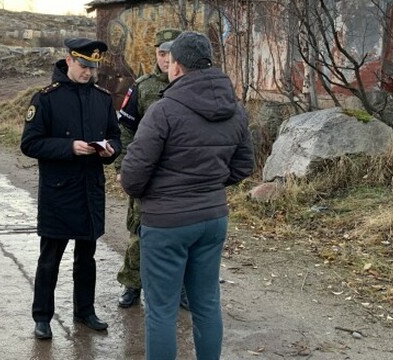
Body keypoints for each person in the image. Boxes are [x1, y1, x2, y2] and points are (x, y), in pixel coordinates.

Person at [120, 31, 255, 359]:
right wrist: (208, 185)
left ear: (177, 67)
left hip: (166, 224)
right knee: (207, 303)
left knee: (162, 310)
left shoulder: (164, 111)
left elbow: (133, 178)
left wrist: (162, 192)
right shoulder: (235, 109)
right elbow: (244, 165)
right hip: (212, 219)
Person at [20, 37, 122, 340]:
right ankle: (42, 317)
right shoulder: (46, 98)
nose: (88, 72)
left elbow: (116, 138)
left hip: (90, 190)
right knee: (50, 258)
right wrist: (69, 147)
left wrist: (110, 151)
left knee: (86, 257)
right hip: (59, 191)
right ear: (68, 61)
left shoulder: (102, 99)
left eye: (92, 67)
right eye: (82, 65)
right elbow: (30, 143)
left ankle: (85, 311)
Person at [114, 28, 190, 310]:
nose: (166, 60)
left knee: (181, 236)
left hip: (179, 177)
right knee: (140, 232)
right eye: (161, 54)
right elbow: (124, 129)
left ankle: (180, 289)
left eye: (171, 54)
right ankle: (132, 284)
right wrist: (123, 166)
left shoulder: (190, 85)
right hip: (145, 175)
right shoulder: (142, 87)